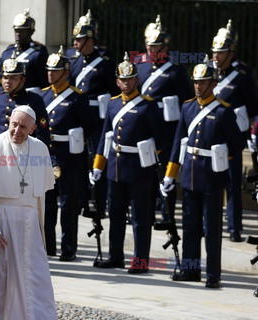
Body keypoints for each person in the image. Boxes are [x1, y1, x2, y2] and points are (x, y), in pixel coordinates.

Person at [0, 105, 57, 320]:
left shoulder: (40, 149)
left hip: (30, 227)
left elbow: (41, 195)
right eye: (14, 125)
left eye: (23, 127)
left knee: (33, 277)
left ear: (33, 128)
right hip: (0, 227)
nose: (16, 131)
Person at [160, 55, 245, 288]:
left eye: (202, 82)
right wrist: (170, 174)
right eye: (195, 82)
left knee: (212, 228)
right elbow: (178, 143)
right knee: (190, 225)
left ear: (212, 83)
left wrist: (222, 154)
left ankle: (213, 274)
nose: (198, 86)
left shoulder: (223, 111)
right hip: (189, 175)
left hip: (211, 176)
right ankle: (191, 269)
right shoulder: (187, 107)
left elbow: (237, 143)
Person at [90, 53, 168, 274]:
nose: (126, 83)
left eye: (130, 79)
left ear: (137, 80)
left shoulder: (147, 106)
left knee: (140, 218)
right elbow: (106, 135)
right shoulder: (113, 105)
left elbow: (161, 139)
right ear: (117, 81)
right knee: (115, 215)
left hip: (139, 169)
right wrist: (98, 166)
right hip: (114, 168)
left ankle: (140, 261)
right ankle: (115, 256)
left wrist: (147, 155)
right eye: (122, 80)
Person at [136, 15, 193, 230]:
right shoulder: (139, 66)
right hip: (145, 126)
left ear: (165, 47)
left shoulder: (175, 70)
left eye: (156, 47)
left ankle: (167, 214)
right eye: (149, 46)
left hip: (167, 128)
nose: (151, 50)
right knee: (146, 170)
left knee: (166, 170)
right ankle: (147, 212)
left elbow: (186, 101)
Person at [40, 46, 96, 260]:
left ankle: (68, 247)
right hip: (47, 155)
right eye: (48, 71)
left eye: (54, 71)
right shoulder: (44, 96)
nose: (50, 74)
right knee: (47, 204)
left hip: (68, 157)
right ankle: (47, 245)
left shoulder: (76, 98)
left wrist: (76, 135)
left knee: (68, 204)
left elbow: (89, 126)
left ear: (65, 72)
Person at [210, 20, 258, 242]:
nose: (216, 57)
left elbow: (253, 108)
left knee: (231, 183)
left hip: (232, 138)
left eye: (220, 53)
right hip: (210, 135)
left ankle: (233, 228)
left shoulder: (242, 76)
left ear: (231, 54)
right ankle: (207, 223)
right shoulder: (208, 72)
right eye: (214, 52)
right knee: (208, 183)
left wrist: (250, 134)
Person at [69, 10, 119, 221]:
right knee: (80, 159)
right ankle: (81, 200)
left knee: (98, 158)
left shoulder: (105, 61)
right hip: (79, 114)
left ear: (90, 39)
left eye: (80, 39)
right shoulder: (72, 61)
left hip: (98, 116)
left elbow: (114, 90)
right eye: (76, 40)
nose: (76, 43)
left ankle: (100, 203)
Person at [0, 53, 50, 145]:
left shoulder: (34, 100)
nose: (8, 82)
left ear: (22, 80)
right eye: (5, 78)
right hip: (0, 151)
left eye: (13, 78)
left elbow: (42, 134)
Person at [0, 8, 48, 93]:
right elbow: (0, 79)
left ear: (30, 32)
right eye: (16, 31)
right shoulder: (8, 52)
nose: (18, 34)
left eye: (22, 31)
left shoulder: (38, 53)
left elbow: (44, 83)